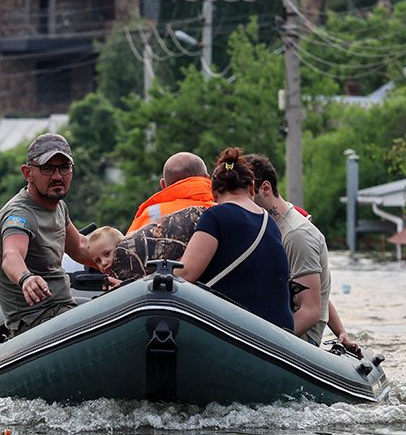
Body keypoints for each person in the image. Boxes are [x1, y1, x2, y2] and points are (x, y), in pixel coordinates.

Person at [243, 152, 362, 356]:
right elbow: (314, 291)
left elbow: (311, 310)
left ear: (265, 188)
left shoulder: (296, 235)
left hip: (300, 339)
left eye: (245, 194)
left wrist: (265, 346)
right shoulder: (267, 226)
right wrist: (341, 332)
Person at [0, 133, 94, 336]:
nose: (57, 176)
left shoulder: (58, 206)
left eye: (64, 168)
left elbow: (81, 248)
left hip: (62, 307)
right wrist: (25, 278)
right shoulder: (20, 215)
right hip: (36, 321)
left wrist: (124, 267)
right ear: (28, 173)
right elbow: (11, 255)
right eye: (47, 168)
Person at [177, 148, 293, 331]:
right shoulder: (270, 223)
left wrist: (151, 278)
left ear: (214, 193)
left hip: (240, 329)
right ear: (252, 188)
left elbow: (185, 273)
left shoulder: (215, 216)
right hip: (280, 332)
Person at [126, 151, 215, 234]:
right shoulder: (218, 210)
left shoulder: (151, 213)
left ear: (163, 184)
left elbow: (128, 244)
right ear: (207, 178)